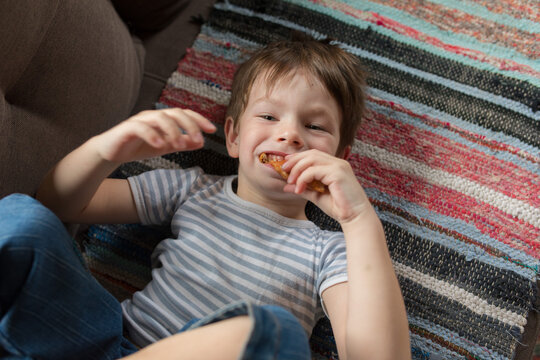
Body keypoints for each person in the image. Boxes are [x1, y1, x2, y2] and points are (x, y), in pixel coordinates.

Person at [0, 38, 411, 359]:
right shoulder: (190, 190)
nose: (289, 135)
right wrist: (105, 150)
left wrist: (359, 219)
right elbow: (59, 205)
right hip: (99, 340)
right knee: (22, 219)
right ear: (232, 136)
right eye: (268, 116)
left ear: (339, 159)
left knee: (271, 332)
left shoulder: (332, 252)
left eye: (314, 125)